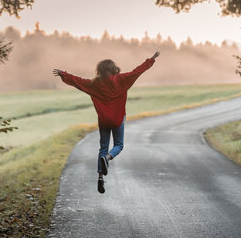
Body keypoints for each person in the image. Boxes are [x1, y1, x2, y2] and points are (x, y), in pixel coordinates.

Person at [53, 51, 160, 194]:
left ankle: (100, 177)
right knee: (118, 145)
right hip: (117, 119)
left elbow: (78, 81)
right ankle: (108, 158)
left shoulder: (94, 84)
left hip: (103, 120)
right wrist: (151, 60)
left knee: (103, 147)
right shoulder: (122, 79)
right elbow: (136, 72)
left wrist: (63, 74)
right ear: (113, 68)